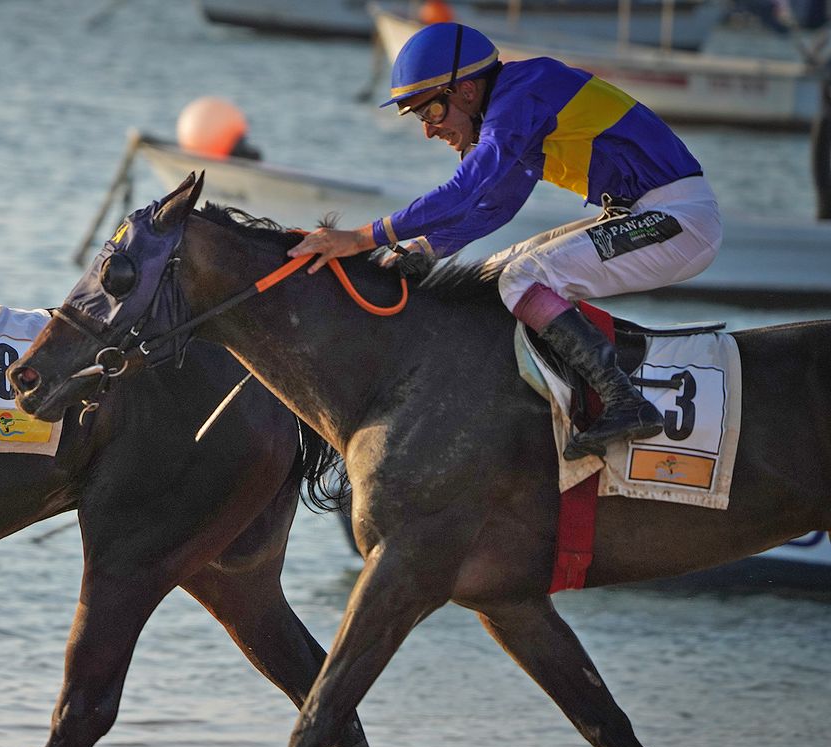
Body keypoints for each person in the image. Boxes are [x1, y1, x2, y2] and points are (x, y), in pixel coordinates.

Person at [288, 23, 722, 460]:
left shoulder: (522, 96)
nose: (428, 130)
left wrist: (362, 238)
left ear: (467, 91)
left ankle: (622, 399)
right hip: (643, 215)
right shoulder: (522, 101)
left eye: (431, 112)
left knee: (524, 277)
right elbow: (496, 206)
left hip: (676, 220)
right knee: (493, 273)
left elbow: (466, 189)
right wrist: (423, 249)